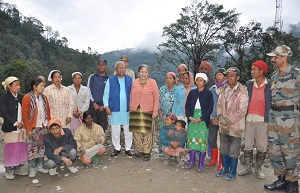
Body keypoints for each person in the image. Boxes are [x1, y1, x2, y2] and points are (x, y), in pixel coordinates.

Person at [264, 45, 300, 193]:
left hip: (290, 119)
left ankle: (292, 183)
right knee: (274, 150)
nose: (273, 60)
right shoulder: (274, 76)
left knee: (290, 151)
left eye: (276, 57)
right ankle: (281, 179)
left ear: (284, 58)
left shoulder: (296, 75)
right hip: (274, 117)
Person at [238, 60, 271, 179]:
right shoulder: (249, 84)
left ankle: (258, 169)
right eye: (251, 69)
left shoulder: (269, 85)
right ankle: (247, 167)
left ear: (261, 71)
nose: (252, 72)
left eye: (254, 69)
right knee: (248, 144)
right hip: (249, 118)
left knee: (262, 145)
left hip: (262, 119)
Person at [216, 67, 248, 181]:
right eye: (228, 75)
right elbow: (219, 105)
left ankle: (233, 172)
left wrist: (228, 120)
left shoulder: (242, 91)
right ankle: (225, 168)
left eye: (232, 75)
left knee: (234, 151)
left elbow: (242, 110)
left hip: (235, 127)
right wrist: (220, 116)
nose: (229, 78)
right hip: (223, 126)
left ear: (238, 77)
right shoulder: (224, 89)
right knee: (224, 148)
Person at [22, 77, 51, 177]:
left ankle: (40, 166)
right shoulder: (27, 98)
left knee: (42, 147)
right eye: (41, 86)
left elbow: (48, 112)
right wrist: (28, 129)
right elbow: (25, 115)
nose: (43, 87)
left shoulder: (44, 98)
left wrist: (49, 125)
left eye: (44, 85)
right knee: (32, 148)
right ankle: (32, 168)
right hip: (34, 127)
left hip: (43, 126)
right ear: (34, 87)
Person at [129, 64, 159, 161]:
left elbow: (156, 97)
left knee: (148, 132)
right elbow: (131, 95)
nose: (144, 74)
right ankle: (139, 150)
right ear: (138, 73)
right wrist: (131, 107)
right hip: (136, 110)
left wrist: (155, 111)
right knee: (136, 132)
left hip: (148, 110)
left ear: (148, 73)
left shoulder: (153, 82)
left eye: (145, 72)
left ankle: (146, 152)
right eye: (142, 72)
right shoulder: (135, 83)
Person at [103, 61, 133, 157]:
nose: (121, 69)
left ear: (125, 69)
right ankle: (117, 148)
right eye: (119, 68)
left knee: (128, 130)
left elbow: (134, 94)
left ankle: (128, 148)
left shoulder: (130, 79)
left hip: (127, 109)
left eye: (123, 68)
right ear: (116, 69)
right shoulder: (110, 80)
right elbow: (105, 95)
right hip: (114, 108)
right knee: (115, 130)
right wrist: (106, 106)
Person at [185, 73, 213, 172]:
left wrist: (201, 118)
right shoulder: (192, 93)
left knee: (202, 141)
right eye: (197, 80)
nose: (199, 82)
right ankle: (191, 162)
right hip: (192, 119)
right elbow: (188, 106)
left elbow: (210, 108)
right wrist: (190, 117)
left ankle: (201, 163)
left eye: (201, 80)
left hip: (203, 120)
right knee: (192, 140)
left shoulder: (208, 93)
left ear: (205, 82)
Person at [1, 77, 28, 180]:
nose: (18, 87)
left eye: (19, 85)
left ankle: (17, 167)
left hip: (21, 128)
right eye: (15, 85)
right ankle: (8, 168)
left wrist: (24, 123)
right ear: (9, 86)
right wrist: (16, 123)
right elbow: (4, 113)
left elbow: (25, 111)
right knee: (10, 148)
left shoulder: (21, 97)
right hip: (10, 127)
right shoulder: (4, 98)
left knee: (19, 147)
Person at [206, 68, 227, 170]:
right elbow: (208, 105)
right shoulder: (212, 89)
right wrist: (210, 117)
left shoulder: (228, 89)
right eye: (217, 74)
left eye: (221, 75)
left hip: (223, 120)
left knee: (223, 140)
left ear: (225, 77)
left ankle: (221, 162)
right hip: (212, 118)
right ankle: (214, 159)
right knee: (212, 139)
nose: (218, 76)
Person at [87, 58, 109, 131]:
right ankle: (93, 143)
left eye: (103, 65)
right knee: (92, 127)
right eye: (99, 65)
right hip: (93, 108)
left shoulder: (109, 79)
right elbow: (88, 90)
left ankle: (101, 142)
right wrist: (94, 103)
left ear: (106, 66)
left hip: (103, 108)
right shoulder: (92, 77)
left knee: (102, 129)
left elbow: (110, 94)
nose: (101, 66)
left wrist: (104, 105)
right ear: (97, 66)